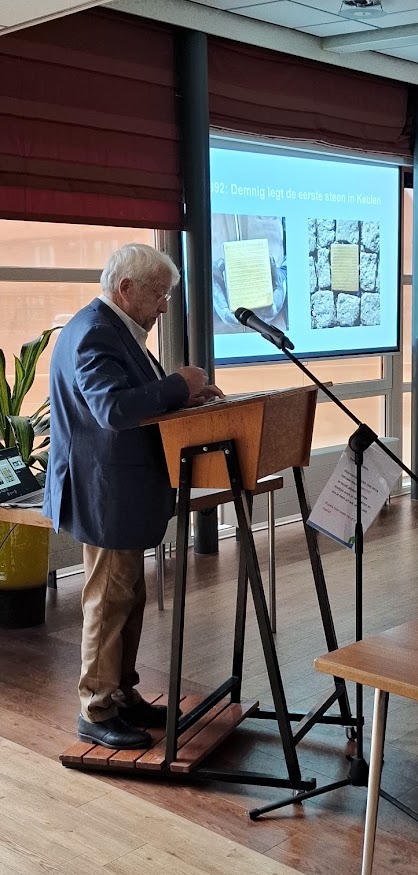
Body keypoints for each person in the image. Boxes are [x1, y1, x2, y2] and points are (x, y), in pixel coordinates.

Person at [43, 243, 223, 750]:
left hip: (119, 491)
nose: (164, 305)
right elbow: (113, 409)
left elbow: (131, 403)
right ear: (126, 288)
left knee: (128, 597)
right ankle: (96, 708)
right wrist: (177, 384)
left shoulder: (113, 328)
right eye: (158, 294)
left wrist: (184, 396)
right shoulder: (95, 333)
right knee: (108, 600)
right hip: (104, 493)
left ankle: (121, 694)